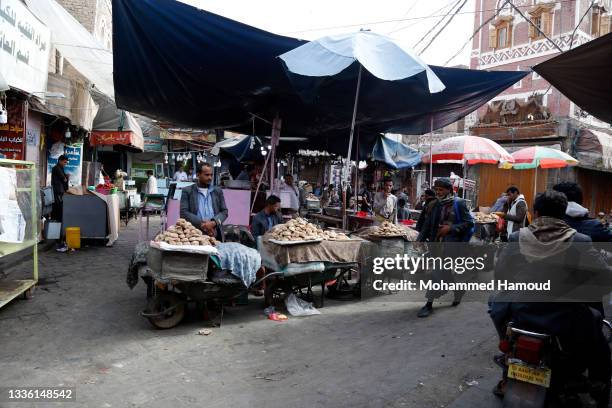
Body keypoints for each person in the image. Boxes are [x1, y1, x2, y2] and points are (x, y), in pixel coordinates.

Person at [489, 191, 611, 405]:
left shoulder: (518, 237)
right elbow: (604, 277)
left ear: (535, 212)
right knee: (600, 341)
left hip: (521, 312)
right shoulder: (580, 240)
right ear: (564, 213)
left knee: (495, 302)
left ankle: (506, 346)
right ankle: (598, 383)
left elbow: (501, 274)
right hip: (565, 318)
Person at [416, 178, 474, 318]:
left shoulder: (459, 203)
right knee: (444, 273)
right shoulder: (435, 204)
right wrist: (420, 239)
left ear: (449, 190)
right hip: (436, 244)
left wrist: (451, 228)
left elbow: (469, 223)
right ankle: (458, 290)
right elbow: (428, 224)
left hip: (452, 246)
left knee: (436, 273)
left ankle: (428, 304)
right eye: (437, 190)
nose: (438, 192)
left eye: (441, 190)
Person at [180, 163, 228, 240]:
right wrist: (203, 224)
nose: (210, 177)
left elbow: (224, 212)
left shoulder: (217, 191)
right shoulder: (187, 191)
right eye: (207, 175)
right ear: (198, 175)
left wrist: (213, 223)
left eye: (211, 175)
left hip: (214, 233)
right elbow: (183, 212)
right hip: (194, 234)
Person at [51, 155, 70, 222]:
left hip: (60, 191)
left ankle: (58, 222)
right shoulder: (57, 168)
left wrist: (66, 177)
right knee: (57, 208)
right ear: (60, 161)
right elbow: (64, 179)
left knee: (58, 208)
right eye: (64, 162)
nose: (65, 164)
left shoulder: (61, 168)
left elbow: (64, 178)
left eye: (66, 163)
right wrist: (66, 177)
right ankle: (57, 223)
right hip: (57, 191)